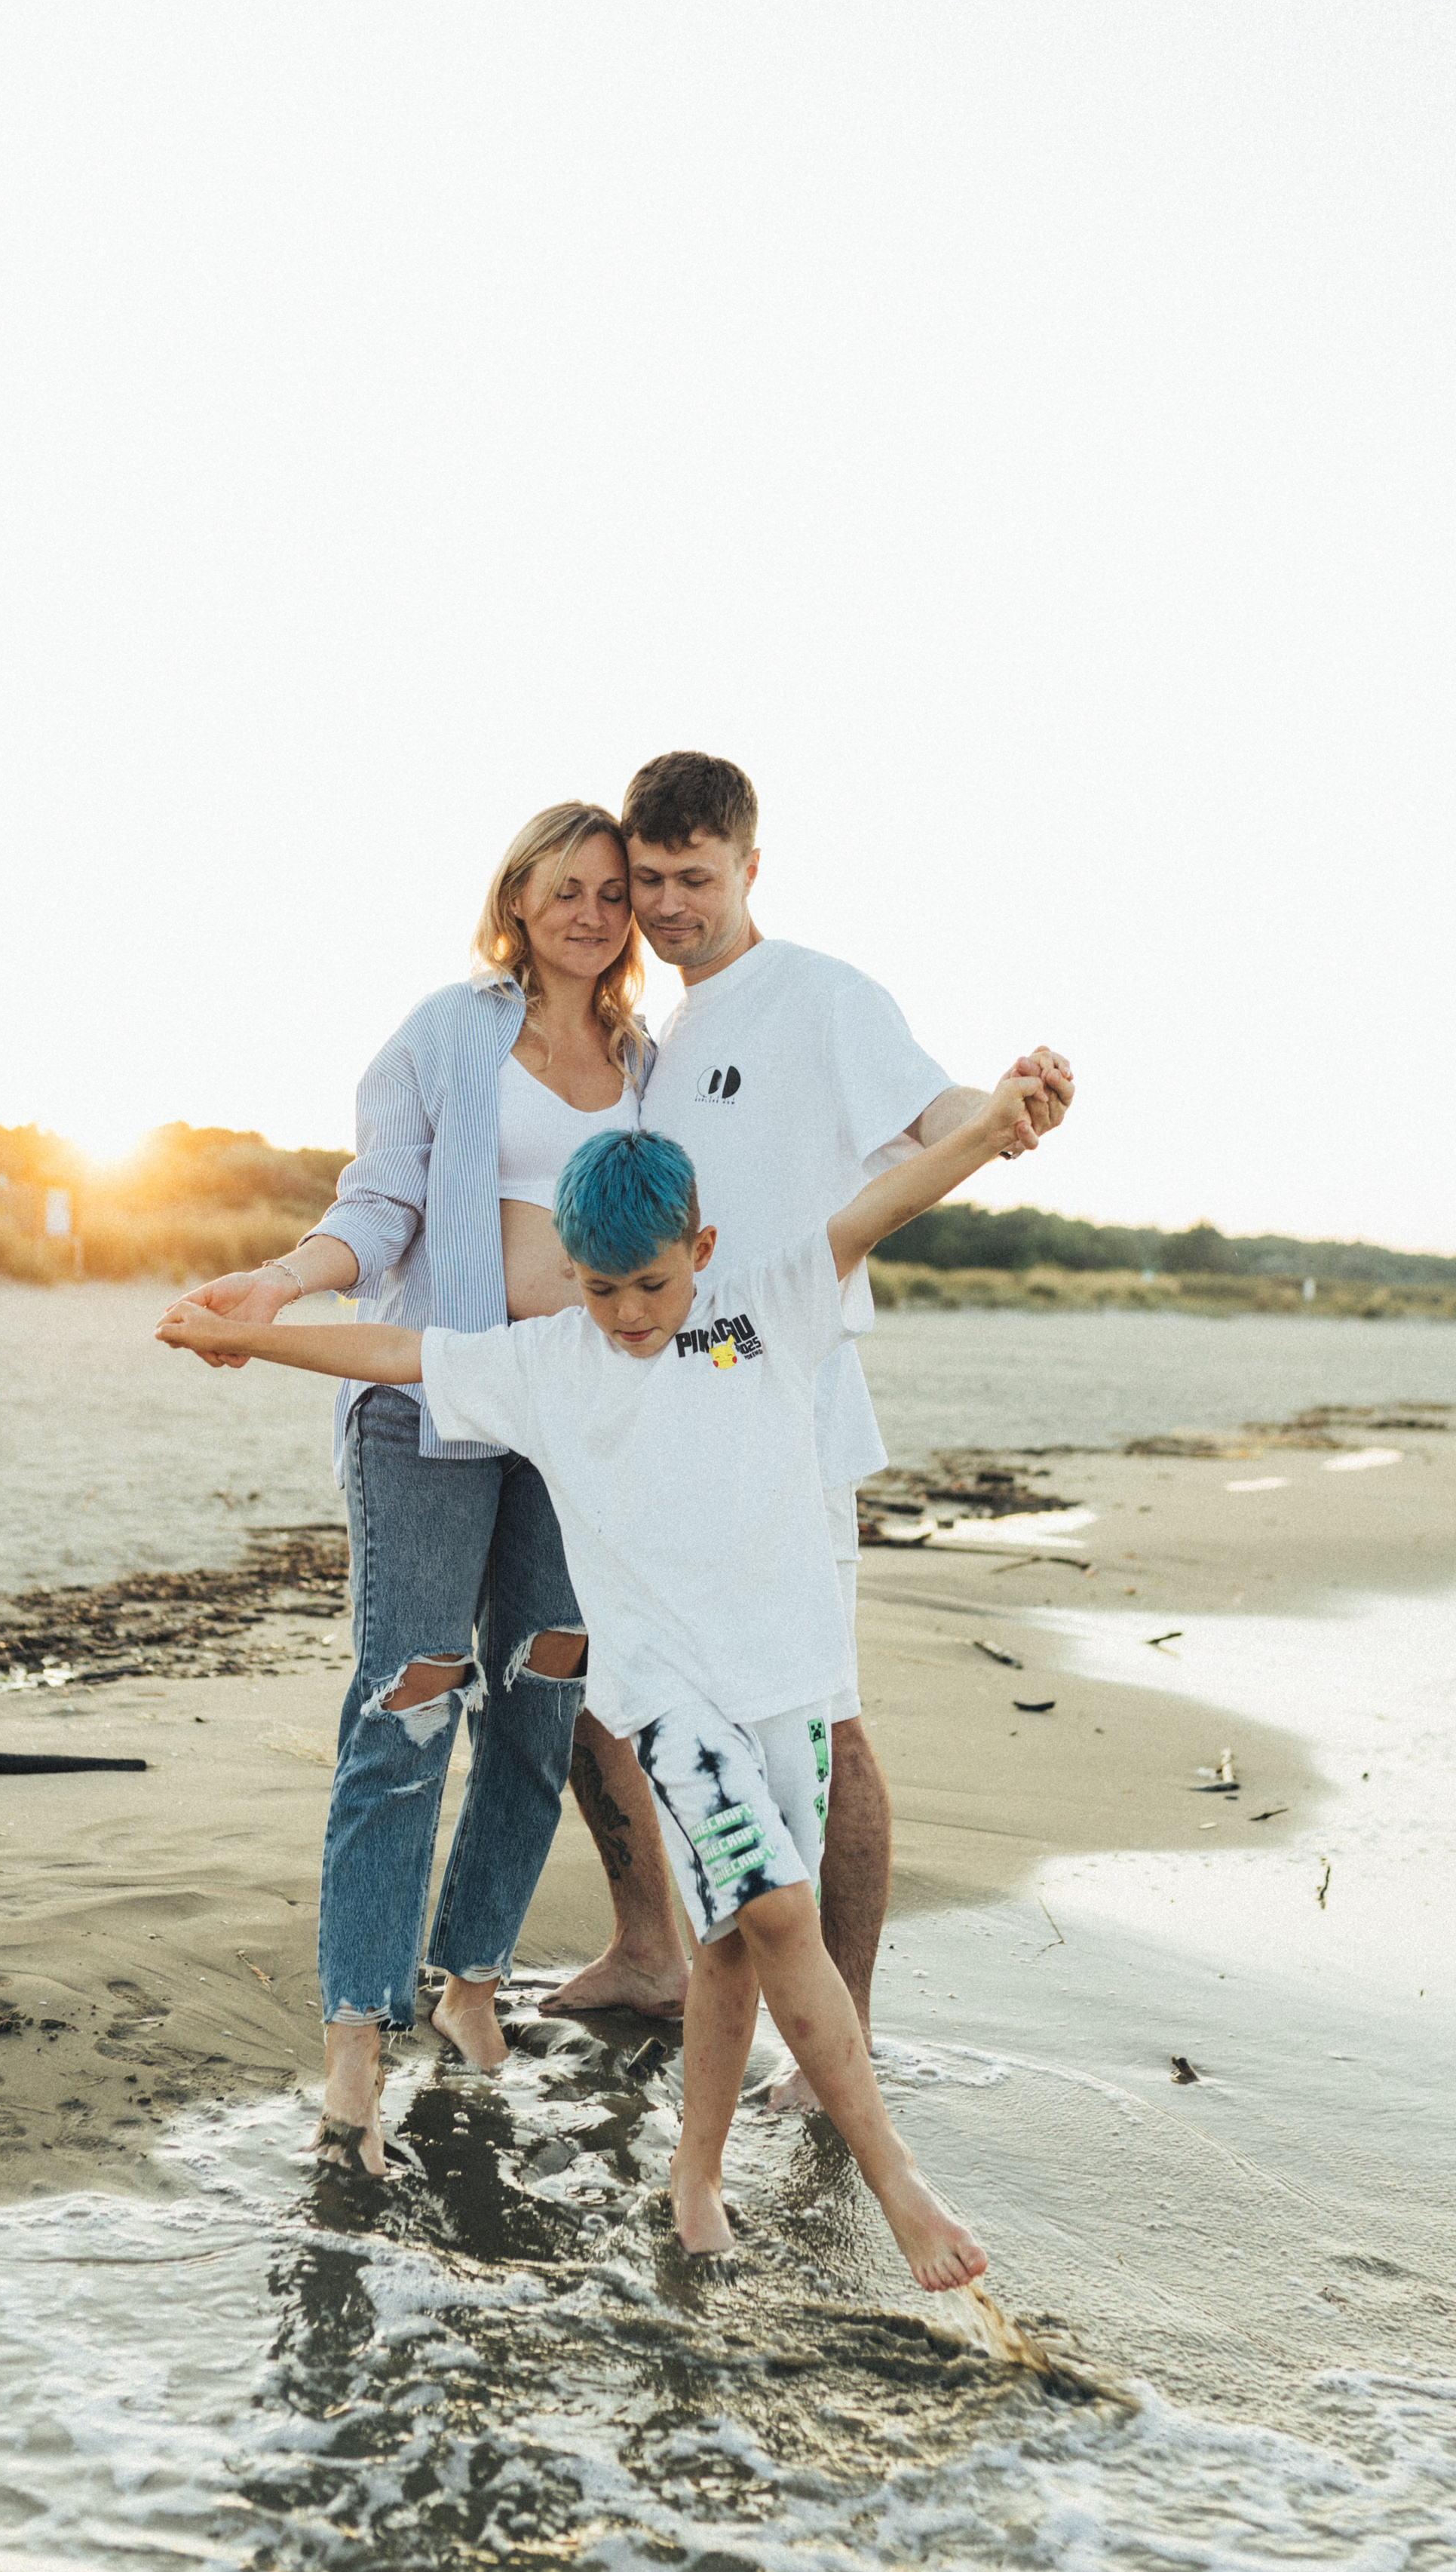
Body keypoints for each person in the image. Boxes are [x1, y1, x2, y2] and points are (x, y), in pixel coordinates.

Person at [155, 1070, 1050, 2288]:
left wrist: (996, 1130)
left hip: (787, 1684)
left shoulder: (764, 1304)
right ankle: (900, 2187)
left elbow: (882, 1207)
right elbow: (401, 1349)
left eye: (651, 1283)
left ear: (704, 1249)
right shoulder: (551, 1364)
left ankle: (694, 2180)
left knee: (734, 1947)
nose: (627, 1313)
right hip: (672, 1702)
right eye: (598, 1286)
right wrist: (250, 1333)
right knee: (785, 1915)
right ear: (567, 1270)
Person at [535, 751, 1074, 2107]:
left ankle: (849, 2036)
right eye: (649, 880)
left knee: (819, 1719)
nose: (667, 907)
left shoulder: (822, 998)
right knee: (621, 1688)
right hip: (659, 1426)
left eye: (694, 880)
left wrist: (1008, 1115)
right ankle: (653, 1949)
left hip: (787, 1418)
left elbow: (934, 1113)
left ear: (751, 868)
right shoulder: (660, 1038)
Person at [170, 802, 650, 2163]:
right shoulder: (450, 1032)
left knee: (546, 1687)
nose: (591, 912)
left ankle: (474, 1979)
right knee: (412, 1701)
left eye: (612, 893)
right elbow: (379, 1204)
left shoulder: (648, 1061)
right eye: (566, 887)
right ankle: (356, 2043)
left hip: (574, 1421)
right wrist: (279, 1281)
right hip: (430, 1406)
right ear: (519, 896)